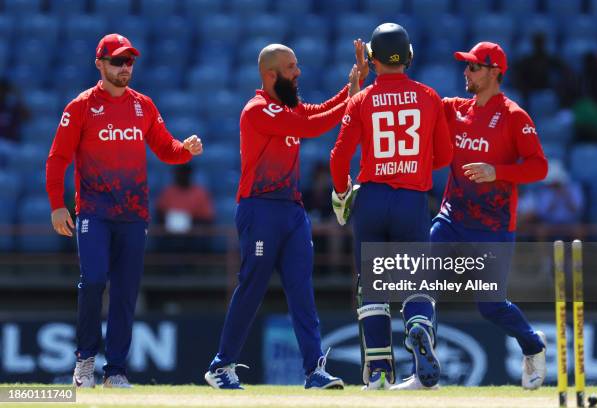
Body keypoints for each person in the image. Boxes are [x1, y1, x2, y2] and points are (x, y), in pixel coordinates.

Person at [204, 41, 366, 390]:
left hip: (291, 210)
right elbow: (313, 126)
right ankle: (221, 366)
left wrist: (351, 88)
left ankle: (314, 371)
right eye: (292, 67)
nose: (299, 73)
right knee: (252, 285)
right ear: (271, 74)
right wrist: (353, 100)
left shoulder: (287, 107)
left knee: (301, 289)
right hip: (259, 208)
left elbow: (318, 112)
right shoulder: (257, 110)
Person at [45, 33, 203, 388]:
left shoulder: (143, 105)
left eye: (129, 61)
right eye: (117, 61)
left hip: (133, 214)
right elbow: (57, 159)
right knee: (95, 281)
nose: (124, 67)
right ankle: (85, 362)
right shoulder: (81, 106)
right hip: (94, 212)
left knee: (126, 290)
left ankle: (115, 370)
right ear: (99, 64)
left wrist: (186, 149)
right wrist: (57, 205)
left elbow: (166, 148)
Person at [396, 42, 548, 390]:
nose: (466, 72)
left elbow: (539, 167)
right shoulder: (454, 109)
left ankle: (533, 345)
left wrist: (497, 171)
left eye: (474, 67)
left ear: (495, 72)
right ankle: (423, 373)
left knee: (491, 307)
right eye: (466, 66)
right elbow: (417, 101)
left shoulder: (514, 116)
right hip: (451, 217)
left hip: (493, 227)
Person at [329, 23, 453, 391]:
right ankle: (417, 326)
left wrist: (341, 195)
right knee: (417, 282)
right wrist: (410, 166)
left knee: (372, 289)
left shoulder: (362, 100)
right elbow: (444, 156)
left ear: (371, 58)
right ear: (409, 56)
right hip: (412, 199)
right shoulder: (430, 97)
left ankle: (380, 372)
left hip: (371, 198)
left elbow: (338, 159)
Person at [156, 164, 215, 252]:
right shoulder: (168, 192)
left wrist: (188, 221)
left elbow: (208, 218)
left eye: (184, 174)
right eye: (179, 174)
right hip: (171, 232)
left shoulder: (200, 193)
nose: (181, 176)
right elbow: (159, 213)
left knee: (198, 240)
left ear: (189, 175)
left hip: (193, 232)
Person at [519, 159, 584, 225]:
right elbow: (543, 213)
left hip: (571, 222)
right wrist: (555, 197)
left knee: (578, 231)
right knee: (542, 231)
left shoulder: (574, 188)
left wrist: (566, 195)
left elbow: (577, 210)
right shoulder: (545, 191)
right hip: (549, 223)